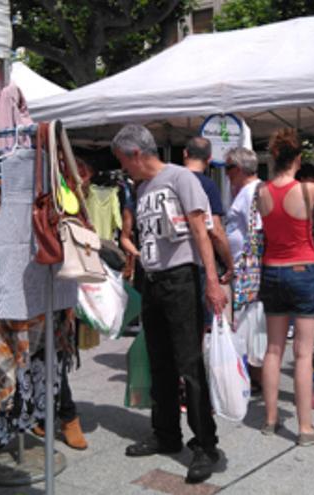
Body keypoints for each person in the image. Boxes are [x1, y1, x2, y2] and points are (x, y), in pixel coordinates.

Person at [112, 124, 227, 484]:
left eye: (122, 160)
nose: (123, 168)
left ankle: (205, 445)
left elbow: (200, 230)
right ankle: (166, 433)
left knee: (189, 364)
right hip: (154, 281)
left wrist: (211, 279)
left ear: (135, 154)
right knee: (159, 361)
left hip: (181, 280)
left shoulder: (180, 178)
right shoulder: (142, 187)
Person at [257, 128, 314, 446]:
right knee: (303, 354)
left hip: (271, 272)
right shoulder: (309, 191)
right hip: (303, 271)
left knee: (273, 350)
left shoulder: (261, 192)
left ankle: (270, 419)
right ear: (299, 159)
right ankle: (304, 428)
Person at [224, 147, 264, 393]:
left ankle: (252, 377)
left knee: (246, 325)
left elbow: (256, 231)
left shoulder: (252, 192)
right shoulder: (248, 191)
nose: (226, 174)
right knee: (249, 327)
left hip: (247, 270)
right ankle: (252, 376)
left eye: (228, 169)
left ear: (238, 169)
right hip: (245, 267)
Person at [183, 137, 234, 280]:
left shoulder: (171, 181)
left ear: (185, 154)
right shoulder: (208, 186)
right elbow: (216, 231)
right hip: (200, 262)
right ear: (209, 159)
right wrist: (229, 264)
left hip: (172, 263)